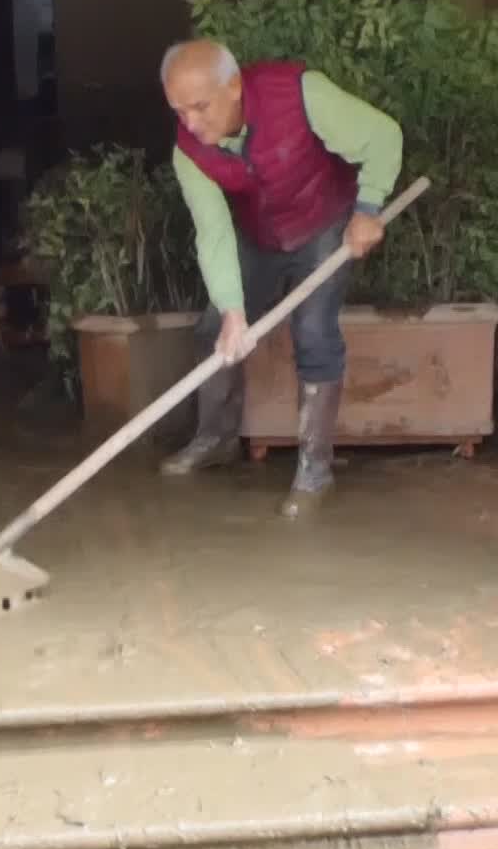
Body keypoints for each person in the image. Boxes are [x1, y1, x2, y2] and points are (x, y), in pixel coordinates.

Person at [157, 37, 404, 518]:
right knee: (213, 329)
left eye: (200, 107)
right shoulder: (189, 151)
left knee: (313, 330)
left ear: (233, 86)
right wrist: (232, 310)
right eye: (178, 111)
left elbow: (383, 135)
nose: (190, 123)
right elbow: (213, 234)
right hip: (260, 235)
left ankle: (315, 470)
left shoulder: (298, 93)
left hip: (324, 223)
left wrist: (369, 208)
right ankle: (216, 439)